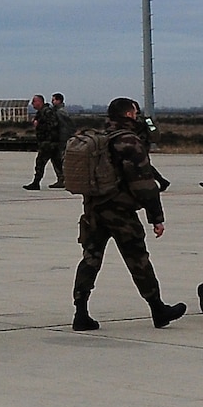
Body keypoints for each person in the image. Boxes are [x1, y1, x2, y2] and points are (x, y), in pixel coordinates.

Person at [73, 98, 184, 331]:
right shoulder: (128, 141)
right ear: (129, 115)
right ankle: (157, 308)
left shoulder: (101, 137)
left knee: (90, 258)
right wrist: (156, 217)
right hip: (120, 210)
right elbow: (143, 183)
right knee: (138, 258)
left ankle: (80, 312)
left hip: (94, 208)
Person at [26, 94, 64, 190]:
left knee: (40, 162)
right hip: (51, 142)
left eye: (34, 101)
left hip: (48, 142)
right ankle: (64, 180)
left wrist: (39, 125)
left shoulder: (47, 112)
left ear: (39, 102)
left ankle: (36, 182)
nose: (32, 104)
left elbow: (52, 125)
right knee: (57, 162)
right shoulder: (42, 112)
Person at [50, 95, 72, 188]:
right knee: (56, 159)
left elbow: (65, 127)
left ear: (59, 101)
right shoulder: (56, 111)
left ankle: (63, 179)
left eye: (54, 100)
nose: (52, 101)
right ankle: (61, 179)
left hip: (61, 139)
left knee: (60, 159)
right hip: (59, 139)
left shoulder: (61, 112)